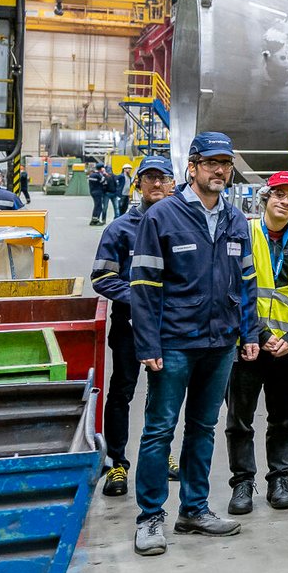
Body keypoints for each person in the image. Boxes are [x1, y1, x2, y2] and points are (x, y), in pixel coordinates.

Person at [128, 132, 259, 556]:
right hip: (174, 343)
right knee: (159, 430)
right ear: (193, 165)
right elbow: (144, 286)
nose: (220, 171)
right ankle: (150, 517)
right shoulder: (162, 216)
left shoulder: (236, 220)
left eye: (226, 164)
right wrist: (148, 343)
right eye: (212, 163)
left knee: (203, 428)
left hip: (220, 343)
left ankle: (194, 509)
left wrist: (249, 333)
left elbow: (248, 283)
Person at [226, 172, 288, 515]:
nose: (284, 201)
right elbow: (235, 289)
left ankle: (279, 478)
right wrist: (262, 335)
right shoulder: (243, 234)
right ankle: (242, 483)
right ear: (266, 197)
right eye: (278, 194)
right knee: (240, 419)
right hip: (249, 345)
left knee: (284, 419)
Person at [91, 154, 175, 497]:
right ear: (138, 183)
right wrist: (141, 296)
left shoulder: (179, 225)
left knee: (165, 395)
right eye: (149, 178)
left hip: (169, 327)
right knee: (122, 392)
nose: (156, 184)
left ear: (172, 183)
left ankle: (161, 456)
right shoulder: (120, 228)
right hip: (128, 327)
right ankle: (118, 464)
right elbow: (102, 277)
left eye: (163, 178)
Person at [87, 161, 107, 225]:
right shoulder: (98, 175)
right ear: (101, 168)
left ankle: (93, 219)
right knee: (99, 207)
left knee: (96, 206)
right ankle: (96, 220)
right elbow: (104, 182)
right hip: (98, 192)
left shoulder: (92, 175)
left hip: (93, 191)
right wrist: (104, 174)